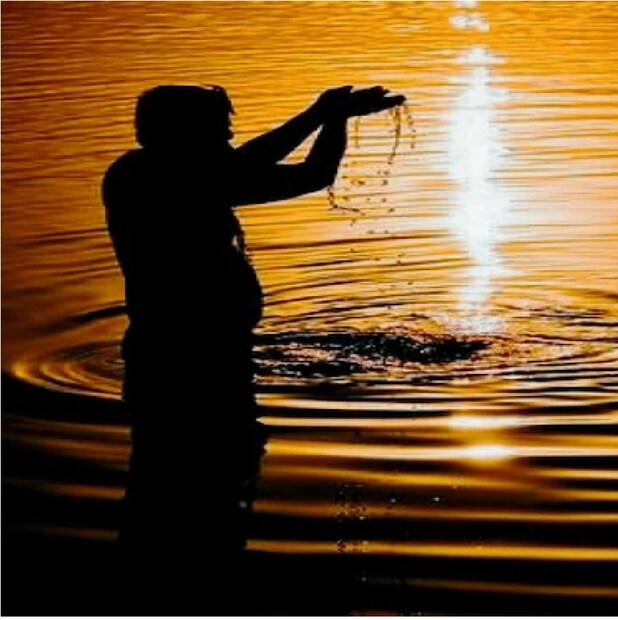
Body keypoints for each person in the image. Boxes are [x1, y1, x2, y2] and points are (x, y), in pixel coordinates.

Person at [102, 84, 404, 611]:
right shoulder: (143, 177)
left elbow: (314, 176)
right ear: (180, 134)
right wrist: (319, 112)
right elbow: (242, 165)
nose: (228, 139)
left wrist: (334, 121)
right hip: (176, 366)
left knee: (218, 487)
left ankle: (203, 575)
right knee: (179, 492)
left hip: (222, 361)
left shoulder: (201, 179)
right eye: (218, 131)